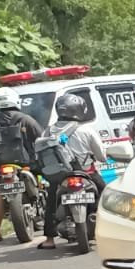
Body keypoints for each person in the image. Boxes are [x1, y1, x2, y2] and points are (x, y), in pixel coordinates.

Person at [36, 93, 106, 251]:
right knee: (106, 197)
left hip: (60, 177)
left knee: (51, 203)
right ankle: (110, 230)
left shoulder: (47, 132)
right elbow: (101, 156)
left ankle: (49, 239)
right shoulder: (86, 130)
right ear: (79, 110)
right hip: (87, 173)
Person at [0, 90, 45, 241]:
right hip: (27, 164)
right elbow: (42, 138)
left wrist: (0, 162)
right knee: (46, 181)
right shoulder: (25, 119)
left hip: (3, 165)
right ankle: (51, 220)